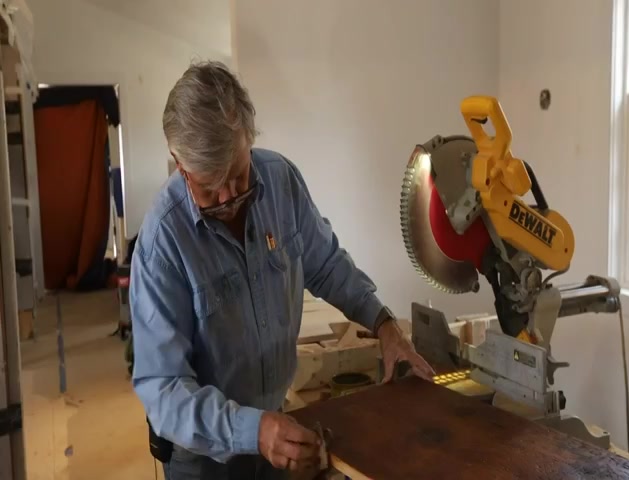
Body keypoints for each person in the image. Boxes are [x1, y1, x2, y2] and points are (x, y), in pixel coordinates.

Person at [130, 60, 436, 480]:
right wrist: (252, 431)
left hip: (277, 429)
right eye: (209, 188)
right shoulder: (162, 242)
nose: (229, 197)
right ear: (179, 164)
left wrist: (385, 327)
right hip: (204, 463)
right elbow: (163, 388)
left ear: (249, 138)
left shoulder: (280, 181)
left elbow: (326, 264)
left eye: (238, 175)